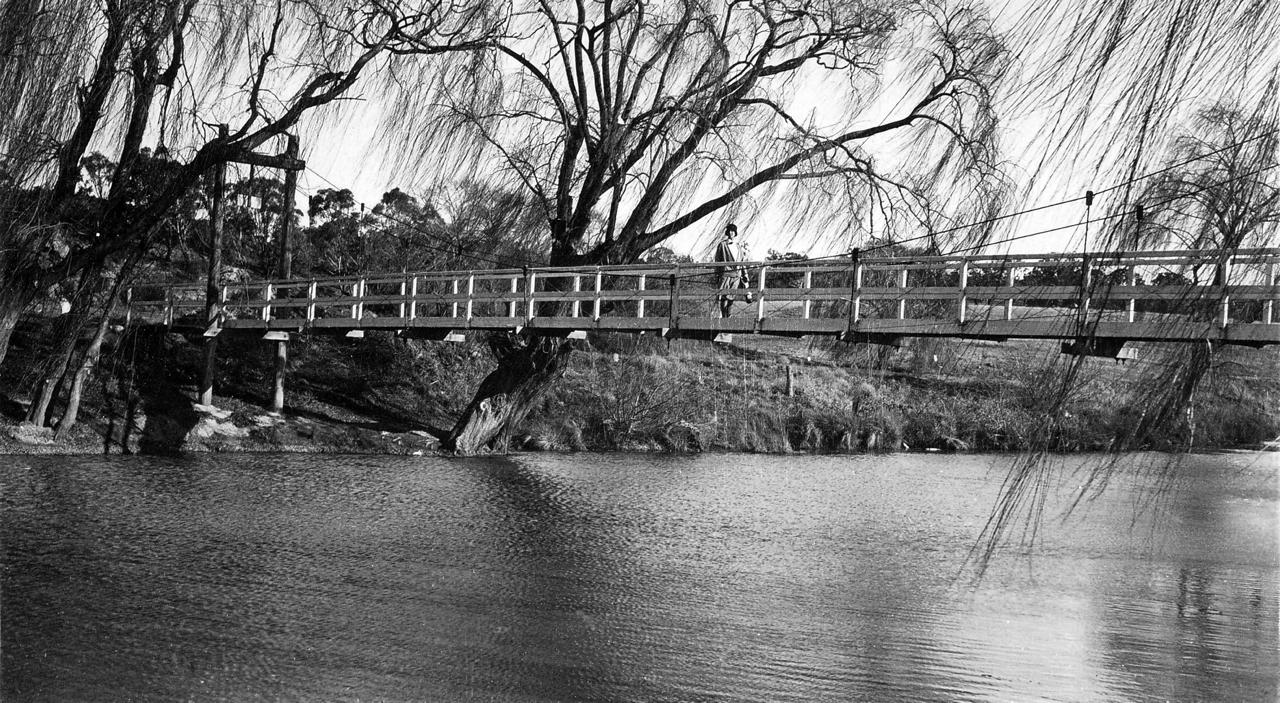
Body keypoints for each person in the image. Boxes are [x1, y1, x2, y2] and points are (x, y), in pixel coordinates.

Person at [713, 224, 752, 318]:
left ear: (735, 233)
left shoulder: (738, 246)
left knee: (731, 298)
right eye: (730, 231)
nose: (731, 233)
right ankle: (723, 317)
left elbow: (742, 262)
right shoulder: (722, 245)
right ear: (727, 232)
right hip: (725, 274)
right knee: (723, 297)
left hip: (736, 276)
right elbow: (717, 260)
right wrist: (717, 275)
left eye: (733, 231)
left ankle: (728, 316)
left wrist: (745, 275)